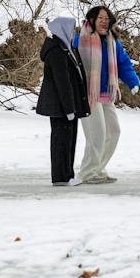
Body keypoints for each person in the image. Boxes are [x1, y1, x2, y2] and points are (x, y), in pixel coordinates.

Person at [72, 5, 140, 184]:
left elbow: (124, 63)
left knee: (113, 131)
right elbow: (71, 67)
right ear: (92, 20)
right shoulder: (80, 41)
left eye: (107, 19)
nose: (104, 22)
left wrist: (133, 81)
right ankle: (87, 173)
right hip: (87, 95)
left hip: (106, 94)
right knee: (97, 134)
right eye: (101, 18)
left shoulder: (112, 42)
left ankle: (98, 168)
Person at [36, 16, 90, 186]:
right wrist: (69, 109)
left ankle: (68, 174)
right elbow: (62, 82)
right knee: (61, 141)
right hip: (60, 106)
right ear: (63, 29)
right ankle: (61, 177)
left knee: (69, 139)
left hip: (67, 104)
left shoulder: (65, 48)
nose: (74, 33)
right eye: (72, 29)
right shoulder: (56, 51)